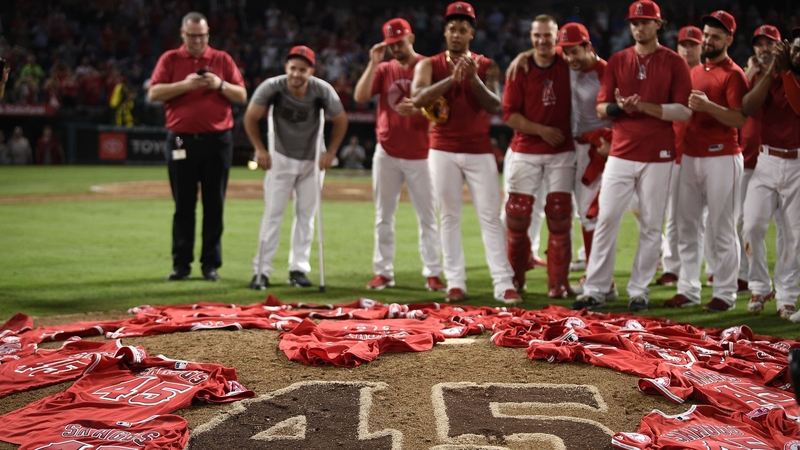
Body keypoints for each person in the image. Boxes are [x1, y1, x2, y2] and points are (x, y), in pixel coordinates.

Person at [572, 0, 692, 312]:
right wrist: (621, 108)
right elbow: (601, 108)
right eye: (634, 23)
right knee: (607, 218)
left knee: (652, 224)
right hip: (622, 152)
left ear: (658, 24)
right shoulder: (618, 61)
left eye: (645, 22)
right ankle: (596, 289)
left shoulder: (674, 62)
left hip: (659, 153)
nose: (639, 27)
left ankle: (639, 290)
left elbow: (684, 109)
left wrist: (645, 107)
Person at [411, 2, 520, 304]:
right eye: (452, 29)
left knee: (490, 217)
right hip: (442, 148)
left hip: (478, 148)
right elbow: (418, 97)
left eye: (462, 29)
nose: (456, 34)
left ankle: (503, 283)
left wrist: (472, 79)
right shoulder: (429, 64)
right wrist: (451, 79)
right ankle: (455, 282)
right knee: (449, 217)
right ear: (445, 32)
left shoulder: (487, 65)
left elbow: (496, 105)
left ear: (472, 33)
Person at [148, 12, 247, 282]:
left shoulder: (222, 59)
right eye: (192, 35)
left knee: (215, 204)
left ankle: (210, 265)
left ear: (208, 35)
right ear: (183, 34)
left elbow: (242, 94)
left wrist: (220, 84)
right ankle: (182, 265)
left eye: (201, 35)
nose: (197, 40)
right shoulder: (170, 59)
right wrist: (185, 85)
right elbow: (153, 93)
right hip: (181, 139)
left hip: (217, 140)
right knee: (184, 205)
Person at [663, 11, 748, 312]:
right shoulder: (695, 72)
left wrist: (709, 106)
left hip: (722, 155)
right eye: (707, 34)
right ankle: (688, 289)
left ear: (728, 39)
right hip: (689, 156)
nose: (710, 39)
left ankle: (725, 293)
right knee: (687, 226)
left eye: (715, 35)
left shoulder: (734, 74)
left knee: (721, 227)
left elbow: (739, 118)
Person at [353, 18, 445, 292]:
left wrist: (420, 108)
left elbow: (442, 108)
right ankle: (383, 272)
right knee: (384, 216)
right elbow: (360, 95)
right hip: (387, 151)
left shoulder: (427, 66)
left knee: (428, 216)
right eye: (392, 45)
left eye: (400, 43)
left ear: (411, 38)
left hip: (421, 152)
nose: (396, 49)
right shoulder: (384, 69)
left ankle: (433, 273)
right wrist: (373, 62)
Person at [245, 46, 348, 289]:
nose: (297, 74)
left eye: (303, 70)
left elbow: (341, 120)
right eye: (293, 68)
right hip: (280, 158)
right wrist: (260, 149)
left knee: (306, 216)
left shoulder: (322, 90)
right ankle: (262, 270)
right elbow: (250, 116)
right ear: (286, 68)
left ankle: (298, 269)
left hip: (312, 161)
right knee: (272, 215)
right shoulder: (272, 87)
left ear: (311, 71)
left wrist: (330, 152)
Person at [502, 15, 575, 298]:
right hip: (526, 148)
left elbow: (590, 58)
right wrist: (543, 131)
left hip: (561, 151)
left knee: (559, 214)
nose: (542, 41)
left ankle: (558, 283)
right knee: (517, 216)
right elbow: (509, 115)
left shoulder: (569, 62)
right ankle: (516, 278)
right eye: (537, 36)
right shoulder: (519, 69)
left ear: (557, 36)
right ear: (530, 37)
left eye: (548, 35)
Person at [741, 27, 800, 321]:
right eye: (759, 44)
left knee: (794, 235)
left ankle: (786, 296)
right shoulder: (770, 77)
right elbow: (747, 107)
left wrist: (786, 72)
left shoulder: (791, 75)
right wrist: (769, 73)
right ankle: (760, 287)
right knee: (751, 226)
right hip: (766, 160)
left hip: (798, 164)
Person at [656, 25, 702, 287]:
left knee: (701, 219)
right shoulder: (672, 74)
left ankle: (711, 270)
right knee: (674, 215)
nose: (687, 49)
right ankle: (672, 266)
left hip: (703, 153)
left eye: (693, 44)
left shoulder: (708, 73)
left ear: (702, 46)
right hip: (674, 151)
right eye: (684, 44)